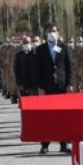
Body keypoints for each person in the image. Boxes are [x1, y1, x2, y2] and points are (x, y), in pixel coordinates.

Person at [34, 24, 73, 154]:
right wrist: (40, 87)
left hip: (62, 86)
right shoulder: (40, 49)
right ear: (45, 33)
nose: (52, 33)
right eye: (49, 31)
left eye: (54, 31)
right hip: (47, 87)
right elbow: (38, 70)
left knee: (63, 116)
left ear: (58, 32)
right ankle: (45, 144)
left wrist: (69, 84)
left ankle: (64, 143)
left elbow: (69, 67)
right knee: (47, 117)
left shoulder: (64, 47)